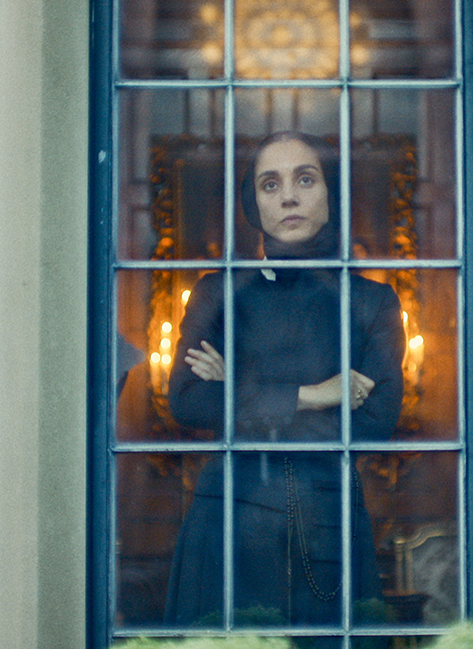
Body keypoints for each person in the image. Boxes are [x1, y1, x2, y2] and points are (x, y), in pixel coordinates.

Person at [164, 132, 406, 629]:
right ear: (253, 203)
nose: (288, 196)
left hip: (327, 522)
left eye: (305, 179)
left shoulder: (372, 303)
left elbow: (376, 423)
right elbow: (188, 402)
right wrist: (315, 396)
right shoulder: (218, 293)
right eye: (269, 184)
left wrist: (239, 390)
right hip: (228, 520)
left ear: (330, 191)